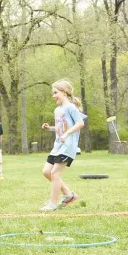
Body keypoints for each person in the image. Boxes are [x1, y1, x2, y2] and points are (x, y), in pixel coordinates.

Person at [39, 79, 87, 212]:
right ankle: (69, 195)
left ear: (64, 92)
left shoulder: (71, 107)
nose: (53, 96)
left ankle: (53, 204)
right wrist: (49, 128)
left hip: (68, 146)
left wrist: (67, 134)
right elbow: (61, 128)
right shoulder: (57, 110)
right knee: (46, 172)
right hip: (58, 146)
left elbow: (80, 124)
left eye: (55, 92)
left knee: (54, 173)